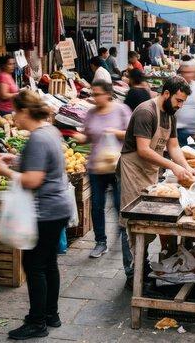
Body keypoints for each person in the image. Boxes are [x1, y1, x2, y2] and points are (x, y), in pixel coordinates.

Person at [0, 91, 72, 340]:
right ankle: (51, 314)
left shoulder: (37, 138)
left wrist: (5, 171)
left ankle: (37, 322)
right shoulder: (50, 131)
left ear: (25, 112)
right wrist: (15, 159)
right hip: (58, 208)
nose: (14, 117)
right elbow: (40, 165)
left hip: (45, 210)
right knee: (48, 263)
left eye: (15, 112)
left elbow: (33, 180)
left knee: (34, 265)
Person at [119, 77, 195, 287]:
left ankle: (142, 267)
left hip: (149, 170)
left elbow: (173, 147)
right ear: (166, 93)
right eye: (178, 100)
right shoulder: (146, 111)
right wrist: (173, 166)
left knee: (147, 221)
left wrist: (187, 167)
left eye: (183, 102)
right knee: (132, 223)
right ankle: (132, 274)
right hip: (133, 169)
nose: (180, 106)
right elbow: (143, 150)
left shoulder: (170, 115)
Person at [75, 81, 132, 259]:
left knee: (118, 203)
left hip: (116, 166)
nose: (95, 98)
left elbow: (131, 132)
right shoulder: (91, 113)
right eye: (94, 94)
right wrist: (80, 138)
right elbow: (88, 136)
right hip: (96, 166)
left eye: (98, 94)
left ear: (108, 94)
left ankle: (122, 234)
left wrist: (114, 132)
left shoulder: (121, 110)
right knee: (97, 205)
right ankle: (101, 242)